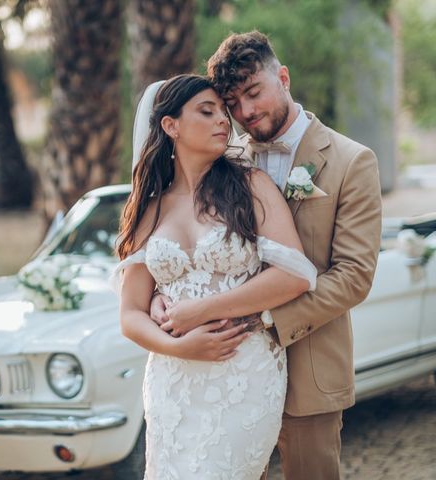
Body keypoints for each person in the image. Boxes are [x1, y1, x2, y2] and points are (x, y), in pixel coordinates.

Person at [150, 32, 383, 479]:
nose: (245, 112)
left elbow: (353, 276)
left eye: (254, 93)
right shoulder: (223, 156)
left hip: (308, 368)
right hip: (226, 374)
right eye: (232, 103)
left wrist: (264, 318)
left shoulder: (352, 161)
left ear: (283, 76)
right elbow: (180, 237)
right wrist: (159, 297)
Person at [115, 73, 318, 479]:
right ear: (170, 126)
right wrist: (179, 348)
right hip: (172, 382)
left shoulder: (251, 187)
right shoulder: (148, 209)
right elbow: (131, 315)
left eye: (223, 113)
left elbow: (295, 275)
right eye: (206, 112)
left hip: (243, 374)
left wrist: (200, 311)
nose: (223, 121)